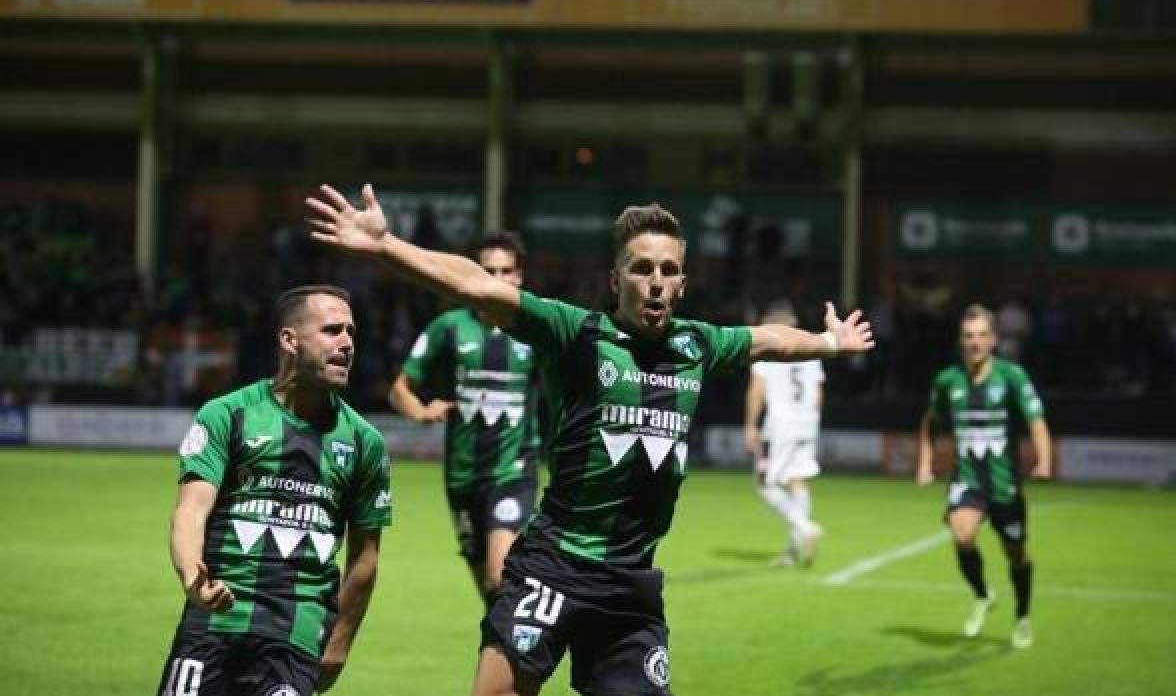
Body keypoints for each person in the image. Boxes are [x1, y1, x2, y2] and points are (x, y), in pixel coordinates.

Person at [304, 184, 874, 696]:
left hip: (630, 587)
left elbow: (767, 340)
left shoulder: (698, 345)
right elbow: (477, 285)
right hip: (554, 566)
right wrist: (386, 247)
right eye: (641, 268)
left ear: (682, 282)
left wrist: (828, 342)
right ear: (615, 279)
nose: (655, 283)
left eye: (668, 270)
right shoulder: (575, 333)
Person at [157, 285, 393, 696]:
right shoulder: (227, 415)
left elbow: (365, 557)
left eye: (351, 332)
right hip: (212, 624)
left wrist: (339, 644)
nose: (347, 343)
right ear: (289, 340)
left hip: (295, 641)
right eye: (332, 330)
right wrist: (193, 578)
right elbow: (191, 511)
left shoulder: (363, 442)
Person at [389, 230, 542, 604]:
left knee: (499, 578)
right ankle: (507, 655)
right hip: (461, 475)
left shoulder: (535, 326)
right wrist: (421, 411)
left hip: (514, 471)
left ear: (519, 277)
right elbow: (398, 389)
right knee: (491, 597)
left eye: (507, 271)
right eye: (488, 270)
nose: (497, 279)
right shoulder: (450, 327)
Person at [915, 303, 1052, 650]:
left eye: (981, 335)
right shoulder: (947, 381)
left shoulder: (1012, 377)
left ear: (993, 339)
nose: (974, 342)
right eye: (968, 336)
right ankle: (982, 594)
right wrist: (925, 461)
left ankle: (1022, 616)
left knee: (1016, 554)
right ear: (961, 341)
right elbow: (930, 421)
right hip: (968, 478)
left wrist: (1045, 460)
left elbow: (1036, 421)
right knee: (962, 535)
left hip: (1004, 483)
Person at [742, 300, 826, 567]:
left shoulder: (769, 347)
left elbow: (757, 389)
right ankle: (793, 551)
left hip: (780, 425)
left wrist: (751, 425)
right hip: (808, 423)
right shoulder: (810, 346)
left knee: (765, 484)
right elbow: (818, 395)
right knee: (797, 481)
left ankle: (804, 526)